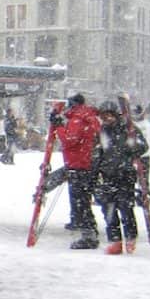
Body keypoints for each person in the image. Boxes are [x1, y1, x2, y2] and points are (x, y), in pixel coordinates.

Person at [92, 100, 149, 254]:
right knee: (108, 208)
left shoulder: (129, 128)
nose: (107, 119)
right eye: (104, 116)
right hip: (108, 175)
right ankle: (115, 241)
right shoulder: (103, 131)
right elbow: (98, 151)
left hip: (125, 174)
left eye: (109, 115)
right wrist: (96, 170)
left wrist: (130, 150)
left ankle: (130, 238)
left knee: (125, 208)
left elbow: (142, 147)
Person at [51, 93, 102, 250]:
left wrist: (59, 126)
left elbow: (69, 140)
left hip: (78, 163)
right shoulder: (89, 117)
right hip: (86, 162)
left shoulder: (78, 119)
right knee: (83, 200)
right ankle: (89, 229)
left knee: (80, 201)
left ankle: (88, 235)